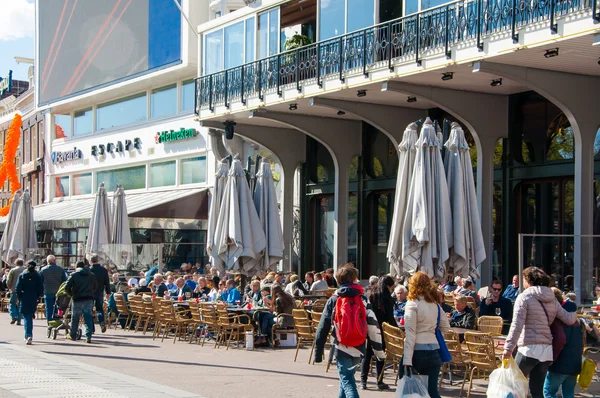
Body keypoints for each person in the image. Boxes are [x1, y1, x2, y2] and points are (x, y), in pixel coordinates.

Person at [503, 266, 578, 398]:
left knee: (510, 386)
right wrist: (576, 316)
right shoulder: (552, 298)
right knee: (537, 391)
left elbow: (516, 325)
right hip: (546, 350)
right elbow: (568, 318)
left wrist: (508, 348)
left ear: (528, 280)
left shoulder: (524, 297)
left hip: (529, 348)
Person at [314, 265, 384, 398]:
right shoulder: (363, 299)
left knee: (347, 381)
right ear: (355, 279)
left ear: (338, 280)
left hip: (341, 346)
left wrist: (318, 353)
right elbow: (374, 327)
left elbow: (323, 327)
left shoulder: (334, 300)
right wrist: (379, 351)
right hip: (358, 346)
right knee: (346, 379)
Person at [400, 271, 450, 398]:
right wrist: (431, 330)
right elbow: (446, 327)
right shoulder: (435, 305)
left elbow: (410, 334)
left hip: (417, 351)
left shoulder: (412, 304)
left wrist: (406, 360)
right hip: (434, 350)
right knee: (432, 391)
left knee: (411, 392)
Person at [543, 289, 583, 398]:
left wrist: (552, 359)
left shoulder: (557, 319)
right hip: (574, 363)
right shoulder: (575, 319)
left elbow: (560, 340)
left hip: (561, 363)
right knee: (568, 393)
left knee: (548, 392)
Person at [361, 275, 396, 390]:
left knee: (367, 355)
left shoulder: (370, 293)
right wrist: (396, 330)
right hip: (381, 329)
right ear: (388, 286)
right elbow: (390, 318)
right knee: (380, 355)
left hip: (368, 326)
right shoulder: (387, 297)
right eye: (392, 286)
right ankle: (379, 381)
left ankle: (363, 381)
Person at [65, 261, 97, 344]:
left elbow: (66, 287)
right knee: (88, 318)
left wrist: (72, 294)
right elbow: (95, 287)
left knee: (75, 318)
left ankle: (73, 335)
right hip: (89, 299)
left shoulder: (74, 275)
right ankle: (88, 336)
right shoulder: (92, 275)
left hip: (77, 298)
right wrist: (90, 293)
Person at [15, 261, 43, 345]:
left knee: (27, 317)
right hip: (33, 297)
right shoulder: (37, 276)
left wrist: (20, 297)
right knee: (29, 316)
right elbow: (40, 288)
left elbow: (18, 288)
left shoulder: (22, 276)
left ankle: (28, 335)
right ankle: (27, 335)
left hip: (24, 296)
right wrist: (37, 296)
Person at [39, 255, 67, 323]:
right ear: (54, 261)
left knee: (49, 308)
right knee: (58, 308)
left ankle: (50, 322)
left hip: (47, 292)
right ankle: (57, 321)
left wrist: (41, 291)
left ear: (47, 261)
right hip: (58, 292)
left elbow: (40, 281)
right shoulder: (60, 269)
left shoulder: (43, 270)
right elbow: (64, 281)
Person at [89, 254, 110, 333]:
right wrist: (108, 292)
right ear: (97, 260)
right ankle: (101, 322)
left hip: (90, 292)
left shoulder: (89, 270)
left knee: (89, 310)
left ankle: (91, 328)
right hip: (100, 291)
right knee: (99, 309)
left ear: (91, 261)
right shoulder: (103, 270)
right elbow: (107, 282)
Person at [7, 259, 26, 325]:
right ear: (22, 263)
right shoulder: (25, 270)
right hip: (23, 290)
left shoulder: (13, 270)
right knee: (21, 304)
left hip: (14, 289)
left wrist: (10, 287)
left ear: (16, 263)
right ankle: (19, 320)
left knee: (12, 303)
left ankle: (14, 315)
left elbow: (8, 281)